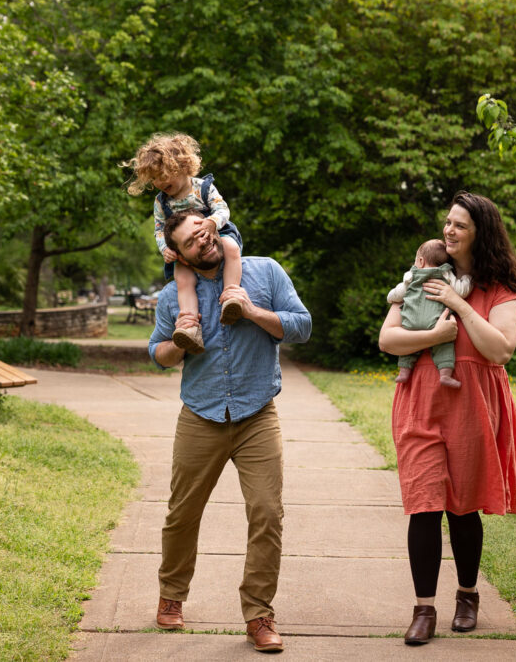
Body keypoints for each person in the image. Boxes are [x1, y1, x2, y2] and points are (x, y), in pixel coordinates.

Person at [147, 210, 312, 653]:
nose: (202, 241)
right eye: (190, 241)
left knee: (267, 513)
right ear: (180, 256)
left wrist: (252, 310)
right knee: (182, 513)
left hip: (257, 414)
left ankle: (259, 615)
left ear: (213, 225)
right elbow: (156, 352)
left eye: (202, 230)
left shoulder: (265, 271)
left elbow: (302, 326)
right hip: (200, 415)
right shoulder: (173, 296)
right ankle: (171, 595)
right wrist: (179, 343)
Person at [378, 191, 516, 646]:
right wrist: (434, 333)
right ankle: (424, 609)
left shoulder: (499, 290)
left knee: (463, 507)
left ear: (482, 233)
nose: (449, 230)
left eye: (460, 225)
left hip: (471, 406)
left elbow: (500, 350)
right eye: (448, 222)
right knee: (423, 504)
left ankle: (467, 596)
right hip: (420, 402)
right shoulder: (421, 274)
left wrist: (458, 305)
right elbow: (388, 339)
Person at [123, 133, 245, 355]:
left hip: (216, 236)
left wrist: (212, 222)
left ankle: (231, 296)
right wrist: (165, 249)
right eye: (154, 179)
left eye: (163, 175)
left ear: (181, 166)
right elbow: (159, 229)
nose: (159, 183)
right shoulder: (161, 202)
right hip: (185, 250)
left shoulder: (202, 188)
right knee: (182, 277)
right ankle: (190, 326)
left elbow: (222, 208)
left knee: (231, 248)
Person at [386, 239, 473, 387]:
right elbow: (462, 291)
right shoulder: (445, 275)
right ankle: (445, 375)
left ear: (420, 261)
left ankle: (404, 372)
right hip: (436, 321)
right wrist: (467, 278)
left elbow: (399, 293)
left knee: (409, 347)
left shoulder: (411, 276)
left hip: (411, 322)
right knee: (444, 347)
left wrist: (390, 297)